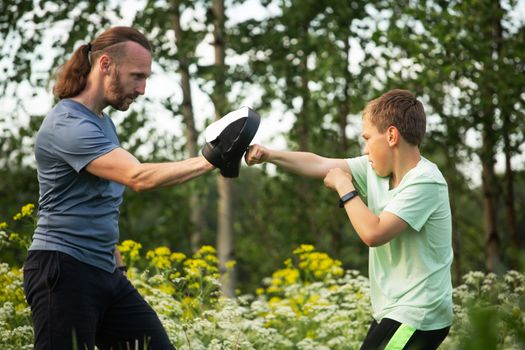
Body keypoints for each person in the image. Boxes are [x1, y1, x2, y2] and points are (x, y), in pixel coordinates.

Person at [23, 26, 244, 350]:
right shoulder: (67, 124)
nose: (141, 89)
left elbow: (97, 200)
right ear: (105, 65)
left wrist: (117, 261)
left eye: (146, 79)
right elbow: (137, 177)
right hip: (63, 270)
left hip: (105, 272)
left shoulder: (103, 123)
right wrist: (212, 158)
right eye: (137, 76)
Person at [245, 89, 453, 350]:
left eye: (367, 138)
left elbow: (373, 233)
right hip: (394, 311)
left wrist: (345, 188)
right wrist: (270, 155)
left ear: (391, 136)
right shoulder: (376, 170)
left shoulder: (425, 181)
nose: (365, 148)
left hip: (419, 315)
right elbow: (320, 164)